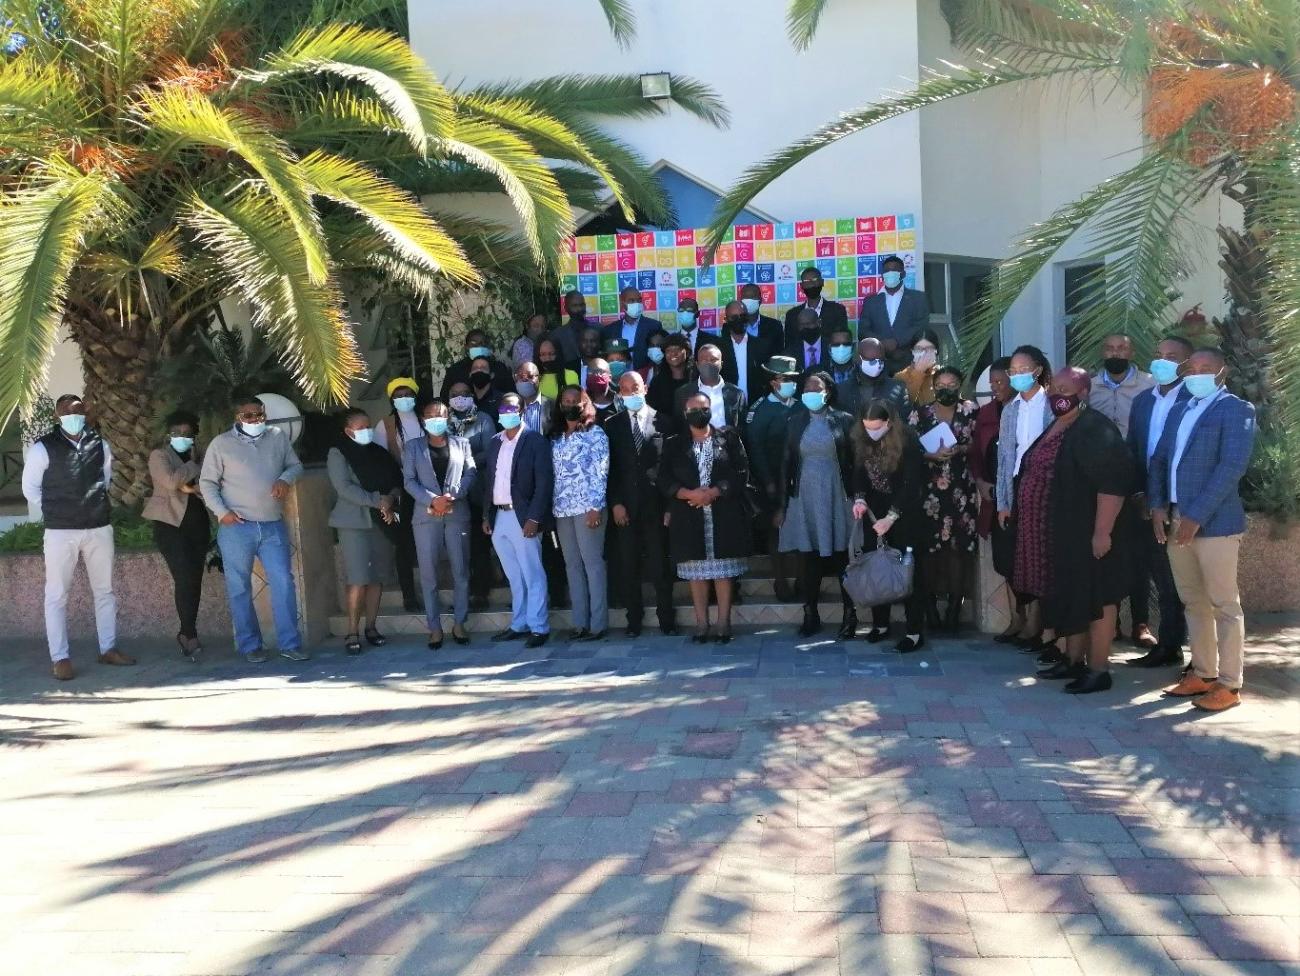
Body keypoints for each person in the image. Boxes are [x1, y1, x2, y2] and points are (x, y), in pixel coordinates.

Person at [1014, 368, 1133, 695]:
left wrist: (1102, 533)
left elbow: (1112, 484)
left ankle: (1098, 669)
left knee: (1098, 600)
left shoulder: (1095, 428)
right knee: (1075, 598)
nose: (1057, 396)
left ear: (1083, 394)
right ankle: (1073, 660)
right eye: (1054, 389)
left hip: (1090, 533)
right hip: (1063, 535)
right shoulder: (1060, 424)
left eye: (1065, 390)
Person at [1149, 348, 1255, 712]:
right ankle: (1204, 673)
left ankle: (1230, 684)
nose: (1196, 375)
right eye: (1191, 369)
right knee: (1192, 600)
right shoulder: (1181, 408)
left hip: (1215, 524)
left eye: (1205, 369)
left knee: (1225, 604)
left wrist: (1196, 515)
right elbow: (1160, 459)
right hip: (1178, 518)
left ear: (1222, 372)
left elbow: (1231, 466)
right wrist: (1158, 504)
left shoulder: (1236, 409)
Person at [22, 394, 133, 680]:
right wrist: (59, 508)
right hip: (60, 531)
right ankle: (60, 658)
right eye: (68, 411)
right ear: (58, 415)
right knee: (57, 594)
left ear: (85, 413)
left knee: (105, 590)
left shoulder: (101, 444)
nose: (75, 415)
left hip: (98, 526)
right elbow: (30, 490)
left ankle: (108, 648)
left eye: (79, 411)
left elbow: (104, 481)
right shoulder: (42, 449)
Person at [199, 394, 307, 663]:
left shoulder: (277, 436)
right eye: (249, 416)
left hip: (272, 525)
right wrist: (222, 513)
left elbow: (295, 465)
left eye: (259, 414)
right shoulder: (221, 444)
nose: (256, 420)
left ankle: (290, 644)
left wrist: (285, 478)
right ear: (237, 418)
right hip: (237, 528)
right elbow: (207, 483)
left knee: (283, 582)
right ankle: (250, 646)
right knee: (239, 587)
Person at [660, 393, 752, 643]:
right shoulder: (674, 443)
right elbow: (665, 478)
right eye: (693, 409)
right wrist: (688, 493)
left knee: (723, 570)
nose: (698, 412)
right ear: (685, 413)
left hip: (723, 512)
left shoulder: (728, 438)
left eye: (703, 408)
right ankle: (701, 623)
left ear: (710, 410)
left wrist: (714, 491)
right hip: (688, 512)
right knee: (696, 570)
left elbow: (741, 472)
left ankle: (724, 623)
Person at [1126, 336, 1194, 668]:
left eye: (1172, 356)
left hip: (1181, 501)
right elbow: (1134, 450)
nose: (1162, 362)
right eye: (1158, 355)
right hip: (1147, 502)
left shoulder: (1194, 399)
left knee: (1180, 579)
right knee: (1159, 574)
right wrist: (1140, 494)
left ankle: (1175, 644)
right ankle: (1167, 644)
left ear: (1188, 362)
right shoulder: (1142, 401)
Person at [775, 372, 857, 638]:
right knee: (807, 557)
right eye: (807, 387)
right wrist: (782, 503)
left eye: (816, 387)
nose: (810, 391)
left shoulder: (844, 420)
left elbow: (855, 461)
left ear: (828, 391)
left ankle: (849, 613)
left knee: (844, 556)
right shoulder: (795, 421)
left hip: (837, 494)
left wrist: (859, 496)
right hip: (804, 496)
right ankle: (810, 613)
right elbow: (785, 462)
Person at [852, 399, 928, 651]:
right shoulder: (863, 440)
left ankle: (914, 631)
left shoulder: (908, 441)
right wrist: (860, 499)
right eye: (866, 427)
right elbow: (859, 473)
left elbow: (911, 483)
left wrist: (892, 517)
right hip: (874, 514)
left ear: (889, 422)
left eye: (876, 427)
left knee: (907, 572)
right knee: (876, 568)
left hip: (904, 515)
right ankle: (880, 624)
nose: (871, 432)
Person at [908, 366, 979, 631]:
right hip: (929, 493)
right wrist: (930, 455)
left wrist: (961, 447)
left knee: (958, 551)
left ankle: (954, 607)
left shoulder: (971, 410)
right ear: (933, 386)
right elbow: (909, 447)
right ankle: (928, 606)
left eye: (951, 383)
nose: (945, 388)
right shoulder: (921, 412)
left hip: (961, 490)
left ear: (960, 385)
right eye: (941, 384)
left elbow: (979, 443)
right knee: (929, 552)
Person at [607, 371, 676, 636]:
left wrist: (670, 507)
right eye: (624, 390)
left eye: (634, 388)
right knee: (629, 565)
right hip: (625, 507)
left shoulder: (664, 422)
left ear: (644, 388)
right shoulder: (612, 425)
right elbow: (610, 469)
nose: (630, 393)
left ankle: (666, 618)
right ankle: (633, 620)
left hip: (656, 506)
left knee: (660, 565)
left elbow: (671, 467)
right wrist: (615, 503)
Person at [995, 345, 1055, 650]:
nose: (1017, 376)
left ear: (1038, 370)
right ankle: (1024, 619)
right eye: (1013, 371)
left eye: (1023, 370)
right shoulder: (1011, 409)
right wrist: (1003, 502)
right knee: (1016, 557)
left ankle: (1041, 627)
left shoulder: (1052, 404)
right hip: (1017, 486)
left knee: (1041, 556)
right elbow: (1005, 458)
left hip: (1045, 488)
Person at [328, 408, 401, 655]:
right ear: (348, 431)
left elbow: (395, 481)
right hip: (354, 522)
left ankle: (371, 627)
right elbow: (343, 487)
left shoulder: (378, 453)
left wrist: (390, 498)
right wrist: (377, 500)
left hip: (382, 520)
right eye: (360, 428)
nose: (366, 431)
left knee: (377, 578)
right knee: (358, 578)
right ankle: (352, 631)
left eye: (368, 426)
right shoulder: (339, 452)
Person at [404, 399, 477, 649]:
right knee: (429, 575)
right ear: (423, 419)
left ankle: (459, 623)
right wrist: (433, 500)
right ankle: (434, 627)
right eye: (430, 415)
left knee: (461, 571)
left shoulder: (462, 443)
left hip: (456, 511)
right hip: (426, 516)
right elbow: (409, 481)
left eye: (441, 415)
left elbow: (471, 472)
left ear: (447, 418)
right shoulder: (412, 447)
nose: (436, 419)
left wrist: (456, 495)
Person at [482, 394, 553, 648]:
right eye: (503, 408)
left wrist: (534, 517)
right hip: (499, 515)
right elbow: (490, 481)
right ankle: (519, 623)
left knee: (532, 572)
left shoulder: (535, 440)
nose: (506, 412)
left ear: (522, 410)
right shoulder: (494, 442)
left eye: (512, 407)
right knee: (514, 574)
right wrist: (486, 515)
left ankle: (539, 627)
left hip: (524, 517)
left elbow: (544, 483)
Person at [143, 411, 212, 660]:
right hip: (170, 526)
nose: (181, 437)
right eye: (176, 433)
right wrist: (191, 470)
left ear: (194, 435)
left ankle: (189, 631)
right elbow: (172, 482)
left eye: (186, 433)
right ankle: (187, 633)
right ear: (168, 435)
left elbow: (207, 483)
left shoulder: (203, 456)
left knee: (194, 579)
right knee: (183, 577)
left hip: (198, 525)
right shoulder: (159, 455)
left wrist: (191, 485)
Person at [549, 386, 610, 640]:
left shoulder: (595, 434)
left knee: (592, 564)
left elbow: (600, 470)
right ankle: (580, 623)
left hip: (588, 509)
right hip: (562, 509)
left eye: (576, 401)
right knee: (571, 565)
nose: (570, 405)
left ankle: (597, 624)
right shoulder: (555, 436)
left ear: (585, 405)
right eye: (566, 401)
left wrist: (595, 506)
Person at [969, 358, 1020, 638]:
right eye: (992, 384)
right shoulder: (987, 412)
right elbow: (976, 454)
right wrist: (980, 481)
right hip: (996, 502)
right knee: (1005, 562)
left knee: (1026, 564)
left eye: (1001, 382)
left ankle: (1033, 624)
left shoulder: (1029, 411)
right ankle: (1016, 620)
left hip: (1022, 500)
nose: (996, 388)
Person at [743, 356, 800, 602]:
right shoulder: (760, 410)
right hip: (771, 480)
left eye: (794, 379)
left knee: (800, 531)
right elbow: (754, 450)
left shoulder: (800, 406)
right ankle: (779, 580)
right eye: (786, 380)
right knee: (775, 530)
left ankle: (802, 579)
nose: (791, 384)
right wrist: (768, 482)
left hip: (799, 480)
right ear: (774, 382)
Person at [372, 377, 423, 613]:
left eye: (407, 394)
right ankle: (409, 596)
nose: (403, 399)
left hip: (431, 489)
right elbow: (381, 461)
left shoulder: (426, 418)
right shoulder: (386, 425)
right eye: (398, 395)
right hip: (403, 491)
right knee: (404, 544)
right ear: (392, 399)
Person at [447, 380, 498, 609]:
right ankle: (461, 595)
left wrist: (464, 463)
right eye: (455, 394)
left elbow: (490, 450)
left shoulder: (484, 419)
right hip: (453, 493)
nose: (460, 397)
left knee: (479, 544)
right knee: (458, 545)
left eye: (465, 393)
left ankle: (480, 592)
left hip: (478, 489)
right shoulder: (443, 422)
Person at [858, 254, 929, 375]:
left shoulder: (918, 298)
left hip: (909, 361)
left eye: (894, 270)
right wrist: (881, 344)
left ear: (903, 274)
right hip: (877, 363)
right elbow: (863, 329)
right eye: (886, 271)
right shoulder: (871, 301)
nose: (890, 273)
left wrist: (897, 342)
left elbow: (921, 326)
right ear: (882, 276)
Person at [1090, 333, 1155, 439]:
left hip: (1135, 451)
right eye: (1109, 349)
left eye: (1122, 349)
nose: (1115, 353)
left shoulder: (1150, 385)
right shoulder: (1089, 387)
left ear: (1132, 353)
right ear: (1103, 353)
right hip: (1099, 451)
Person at [674, 343, 746, 433]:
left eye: (713, 360)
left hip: (726, 445)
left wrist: (732, 430)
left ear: (721, 364)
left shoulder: (737, 393)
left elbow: (743, 427)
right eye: (704, 360)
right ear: (697, 364)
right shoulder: (683, 393)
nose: (708, 363)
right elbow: (679, 426)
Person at [720, 299, 776, 405]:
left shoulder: (762, 346)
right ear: (726, 319)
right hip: (727, 407)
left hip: (757, 407)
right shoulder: (718, 348)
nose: (739, 320)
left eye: (742, 316)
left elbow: (768, 380)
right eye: (734, 317)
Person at [844, 337, 911, 419]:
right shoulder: (842, 390)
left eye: (881, 360)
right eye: (872, 361)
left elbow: (905, 420)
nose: (878, 365)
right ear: (859, 359)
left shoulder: (898, 388)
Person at [439, 329, 513, 401]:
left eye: (482, 343)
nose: (479, 346)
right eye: (474, 343)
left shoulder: (499, 367)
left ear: (487, 346)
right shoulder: (455, 370)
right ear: (466, 347)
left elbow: (511, 394)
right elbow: (445, 397)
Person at [783, 267, 849, 347]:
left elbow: (841, 340)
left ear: (822, 282)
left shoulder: (837, 310)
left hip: (829, 358)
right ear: (801, 285)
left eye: (814, 280)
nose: (811, 284)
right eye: (807, 281)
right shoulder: (792, 315)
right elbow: (789, 346)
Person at [602, 286, 662, 368]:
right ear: (622, 303)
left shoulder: (654, 326)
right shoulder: (610, 330)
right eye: (631, 301)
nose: (636, 304)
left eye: (639, 300)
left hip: (645, 377)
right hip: (620, 378)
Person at [649, 333, 695, 422]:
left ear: (688, 352)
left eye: (678, 349)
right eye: (668, 350)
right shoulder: (657, 381)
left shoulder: (696, 378)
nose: (673, 354)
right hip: (666, 431)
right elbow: (652, 409)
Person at [893, 329, 941, 407]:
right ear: (912, 351)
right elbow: (902, 406)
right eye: (919, 349)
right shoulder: (900, 377)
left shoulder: (944, 375)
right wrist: (918, 372)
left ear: (936, 350)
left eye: (929, 348)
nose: (924, 353)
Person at [738, 282, 784, 348]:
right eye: (746, 298)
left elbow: (779, 353)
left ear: (760, 300)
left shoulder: (775, 326)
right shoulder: (731, 327)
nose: (749, 301)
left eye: (752, 297)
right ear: (741, 301)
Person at [536, 337, 579, 403]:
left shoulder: (571, 375)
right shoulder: (535, 378)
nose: (547, 358)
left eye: (551, 354)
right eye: (543, 354)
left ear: (558, 354)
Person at [514, 360, 551, 436]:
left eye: (530, 376)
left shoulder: (552, 406)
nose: (525, 380)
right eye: (521, 376)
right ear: (515, 378)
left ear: (539, 379)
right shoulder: (511, 407)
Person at [550, 290, 587, 364]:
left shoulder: (598, 329)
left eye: (582, 305)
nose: (579, 309)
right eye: (575, 306)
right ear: (565, 308)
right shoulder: (557, 335)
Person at [822, 326, 858, 402]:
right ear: (829, 347)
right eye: (836, 344)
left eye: (845, 344)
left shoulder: (861, 372)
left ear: (853, 347)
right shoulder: (820, 373)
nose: (841, 348)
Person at [788, 306, 828, 373]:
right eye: (801, 325)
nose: (805, 328)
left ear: (819, 323)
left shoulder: (831, 347)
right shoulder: (790, 353)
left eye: (808, 324)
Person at [585, 357, 622, 426]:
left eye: (600, 372)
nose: (596, 375)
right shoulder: (580, 404)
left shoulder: (621, 403)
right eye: (591, 372)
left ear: (610, 377)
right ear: (586, 376)